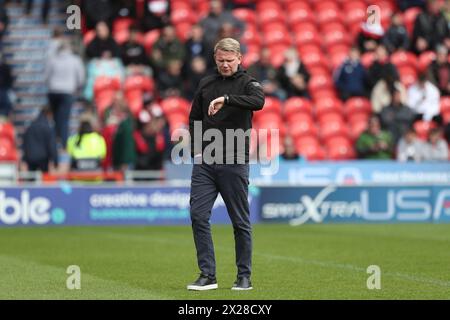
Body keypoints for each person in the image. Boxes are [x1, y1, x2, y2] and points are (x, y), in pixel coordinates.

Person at [187, 38, 264, 291]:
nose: (225, 65)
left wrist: (227, 99)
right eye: (220, 60)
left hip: (234, 161)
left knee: (240, 222)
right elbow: (195, 118)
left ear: (240, 58)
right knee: (198, 216)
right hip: (206, 163)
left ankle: (244, 276)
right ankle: (207, 275)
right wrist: (197, 150)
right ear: (214, 59)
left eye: (229, 61)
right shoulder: (206, 83)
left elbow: (259, 102)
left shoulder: (248, 83)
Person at [45, 40, 85, 148]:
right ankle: (63, 143)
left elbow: (47, 76)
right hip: (67, 91)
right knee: (65, 118)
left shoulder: (52, 59)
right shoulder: (75, 60)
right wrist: (76, 88)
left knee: (56, 118)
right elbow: (81, 77)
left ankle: (55, 141)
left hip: (53, 91)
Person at [22, 106, 58, 172]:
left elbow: (25, 143)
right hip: (43, 159)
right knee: (44, 179)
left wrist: (24, 158)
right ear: (49, 114)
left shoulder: (30, 126)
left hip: (30, 158)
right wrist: (55, 161)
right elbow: (51, 145)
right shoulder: (48, 127)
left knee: (31, 179)